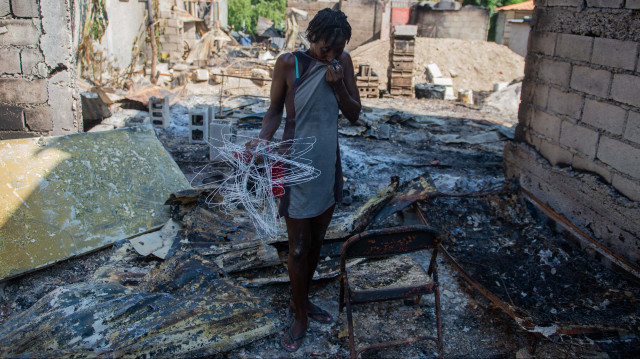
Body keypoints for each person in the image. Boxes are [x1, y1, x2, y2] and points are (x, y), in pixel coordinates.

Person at [246, 8, 361, 352]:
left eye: (337, 50)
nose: (330, 55)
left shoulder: (343, 63)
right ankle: (298, 314)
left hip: (327, 162)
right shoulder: (288, 64)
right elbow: (274, 110)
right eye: (325, 48)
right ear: (312, 37)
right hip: (294, 163)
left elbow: (354, 114)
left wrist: (339, 85)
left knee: (315, 241)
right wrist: (263, 139)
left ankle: (304, 300)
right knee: (296, 245)